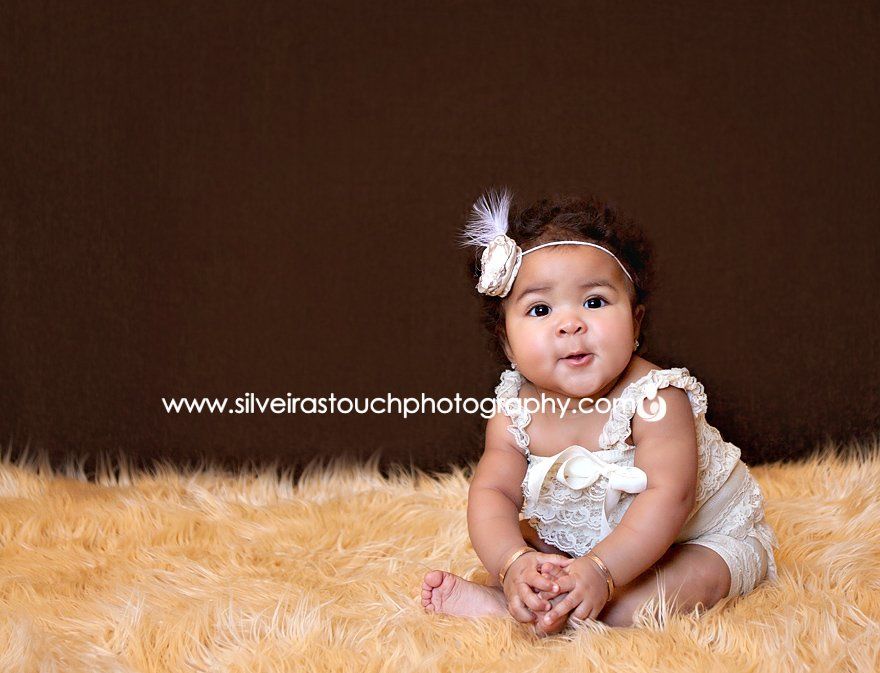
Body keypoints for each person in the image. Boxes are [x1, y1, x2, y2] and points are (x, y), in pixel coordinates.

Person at [421, 188, 779, 636]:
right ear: (508, 345)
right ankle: (526, 597)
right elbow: (493, 492)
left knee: (650, 601)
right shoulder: (515, 409)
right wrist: (513, 563)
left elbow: (670, 497)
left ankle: (516, 612)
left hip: (701, 537)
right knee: (533, 557)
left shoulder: (656, 399)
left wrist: (603, 571)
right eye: (540, 309)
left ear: (635, 322)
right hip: (588, 542)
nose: (570, 324)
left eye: (594, 302)